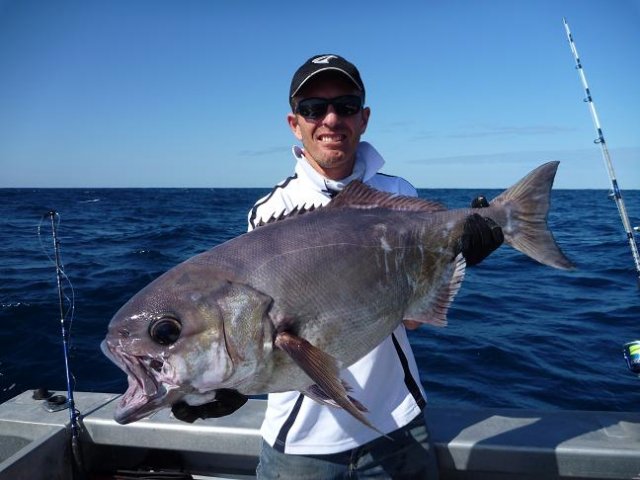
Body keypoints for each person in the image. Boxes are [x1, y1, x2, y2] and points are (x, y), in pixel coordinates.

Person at [244, 54, 504, 479]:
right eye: (314, 108)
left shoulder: (398, 192)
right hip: (303, 443)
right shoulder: (271, 212)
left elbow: (413, 319)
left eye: (345, 106)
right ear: (295, 123)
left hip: (399, 425)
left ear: (363, 118)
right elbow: (262, 336)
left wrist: (459, 253)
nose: (330, 119)